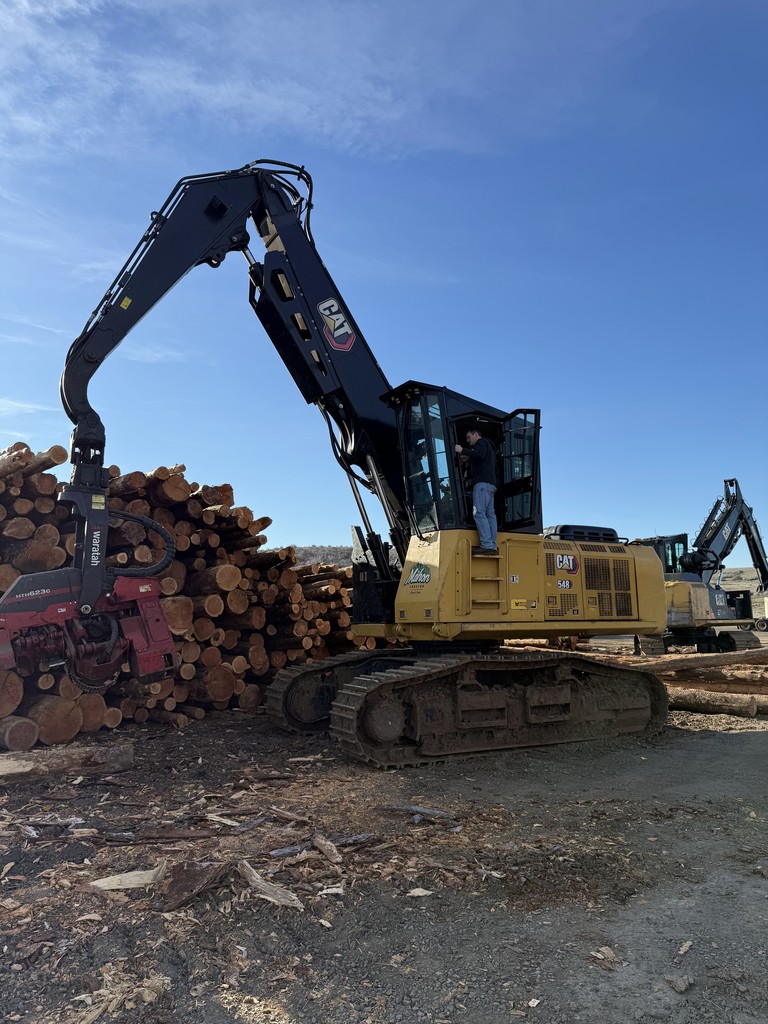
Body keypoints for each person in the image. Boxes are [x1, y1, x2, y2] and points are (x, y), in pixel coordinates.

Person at [454, 427, 498, 555]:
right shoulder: (488, 447)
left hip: (482, 484)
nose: (468, 440)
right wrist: (468, 457)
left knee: (478, 513)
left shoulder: (482, 442)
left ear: (476, 434)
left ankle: (487, 545)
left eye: (469, 437)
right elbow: (480, 456)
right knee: (490, 515)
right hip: (491, 485)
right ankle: (492, 545)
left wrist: (462, 450)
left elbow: (480, 454)